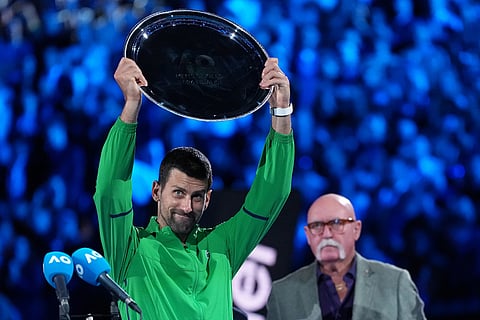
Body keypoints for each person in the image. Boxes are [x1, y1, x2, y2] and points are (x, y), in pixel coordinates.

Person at [93, 56, 294, 320]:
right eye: (178, 193)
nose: (187, 207)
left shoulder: (223, 248)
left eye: (197, 197)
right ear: (156, 191)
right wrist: (131, 105)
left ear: (208, 199)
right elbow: (110, 191)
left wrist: (281, 110)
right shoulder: (130, 249)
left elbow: (271, 194)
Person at [266, 193, 426, 320]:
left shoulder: (395, 283)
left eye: (337, 224)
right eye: (317, 226)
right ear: (308, 236)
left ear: (356, 229)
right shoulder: (283, 294)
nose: (326, 234)